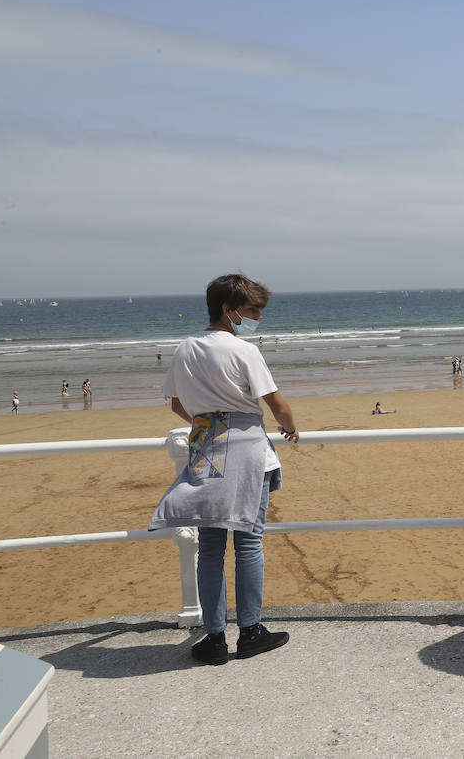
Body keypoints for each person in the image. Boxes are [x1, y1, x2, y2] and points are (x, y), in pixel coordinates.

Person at [149, 274, 300, 666]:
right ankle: (250, 631)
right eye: (252, 311)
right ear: (228, 309)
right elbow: (277, 405)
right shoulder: (242, 350)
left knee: (211, 547)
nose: (257, 318)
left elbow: (177, 405)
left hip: (208, 448)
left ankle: (214, 639)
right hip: (248, 448)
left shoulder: (185, 349)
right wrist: (290, 428)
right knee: (249, 541)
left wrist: (208, 420)